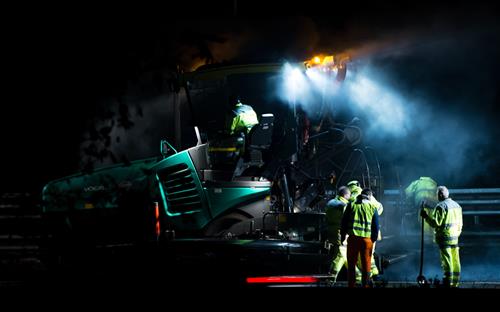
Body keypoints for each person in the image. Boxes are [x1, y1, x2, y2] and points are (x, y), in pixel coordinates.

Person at [421, 186, 463, 287]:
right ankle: (455, 283)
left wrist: (426, 216)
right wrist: (456, 234)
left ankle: (448, 283)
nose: (436, 197)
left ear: (440, 194)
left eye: (436, 194)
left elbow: (435, 223)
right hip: (455, 238)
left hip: (445, 238)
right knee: (455, 260)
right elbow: (460, 224)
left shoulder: (441, 207)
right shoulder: (457, 206)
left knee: (447, 261)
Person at [341, 188, 380, 288]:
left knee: (351, 265)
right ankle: (365, 286)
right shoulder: (372, 206)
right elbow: (376, 225)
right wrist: (373, 239)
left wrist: (342, 236)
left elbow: (344, 222)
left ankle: (351, 285)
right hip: (367, 240)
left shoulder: (352, 204)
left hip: (353, 239)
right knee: (366, 265)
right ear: (370, 196)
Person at [347, 180, 383, 278]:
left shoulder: (353, 198)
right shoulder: (370, 197)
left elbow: (346, 214)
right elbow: (379, 209)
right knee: (369, 256)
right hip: (370, 234)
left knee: (359, 258)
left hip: (358, 233)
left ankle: (366, 277)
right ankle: (374, 273)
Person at [325, 186, 351, 283]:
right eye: (349, 195)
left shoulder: (330, 202)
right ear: (345, 195)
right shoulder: (344, 205)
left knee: (343, 254)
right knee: (340, 253)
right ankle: (331, 277)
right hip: (340, 231)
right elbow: (347, 220)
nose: (350, 196)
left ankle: (357, 276)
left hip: (330, 230)